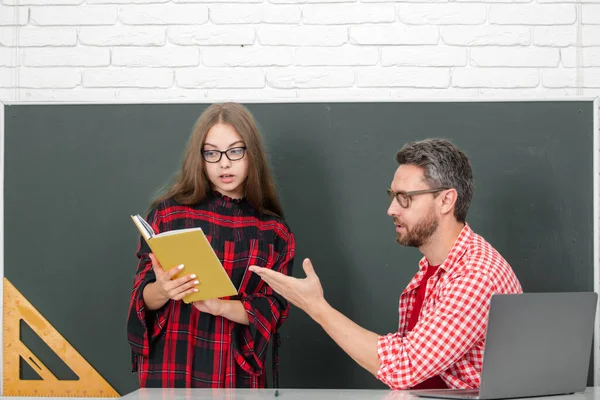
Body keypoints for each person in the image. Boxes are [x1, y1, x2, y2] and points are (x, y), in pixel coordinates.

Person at [250, 138, 522, 390]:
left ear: (446, 200)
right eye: (392, 196)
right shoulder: (434, 269)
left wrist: (316, 306)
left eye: (405, 197)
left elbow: (404, 365)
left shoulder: (475, 274)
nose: (391, 209)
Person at [127, 102, 295, 389]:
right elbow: (142, 298)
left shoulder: (273, 231)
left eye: (235, 151)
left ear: (251, 153)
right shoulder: (168, 214)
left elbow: (274, 310)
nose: (224, 163)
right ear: (200, 157)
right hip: (171, 365)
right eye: (212, 153)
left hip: (235, 370)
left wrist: (219, 307)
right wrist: (163, 289)